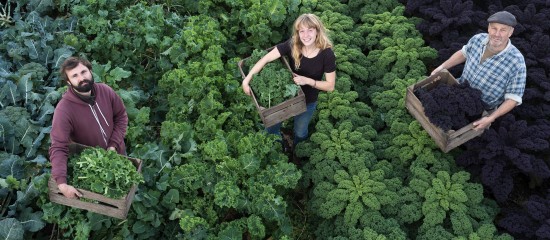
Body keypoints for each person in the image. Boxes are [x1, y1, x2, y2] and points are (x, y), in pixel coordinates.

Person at [241, 13, 336, 150]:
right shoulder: (293, 44)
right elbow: (266, 59)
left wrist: (307, 81)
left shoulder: (327, 54)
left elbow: (330, 86)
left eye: (310, 30)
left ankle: (297, 150)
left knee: (300, 131)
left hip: (307, 100)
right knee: (272, 127)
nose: (306, 35)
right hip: (283, 98)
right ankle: (277, 147)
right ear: (298, 33)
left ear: (317, 30)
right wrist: (247, 79)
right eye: (301, 31)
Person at [431, 11, 526, 131]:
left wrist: (491, 118)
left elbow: (513, 98)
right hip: (458, 91)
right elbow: (463, 53)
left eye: (503, 30)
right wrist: (441, 68)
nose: (497, 34)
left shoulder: (516, 61)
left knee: (459, 132)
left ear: (510, 32)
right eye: (494, 28)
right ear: (488, 28)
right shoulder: (477, 39)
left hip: (480, 109)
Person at [49, 56, 128, 199]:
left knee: (125, 193)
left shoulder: (105, 90)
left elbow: (121, 116)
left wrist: (113, 145)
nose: (81, 78)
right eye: (75, 76)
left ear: (90, 71)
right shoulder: (64, 110)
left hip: (118, 152)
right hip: (92, 166)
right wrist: (61, 183)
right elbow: (59, 146)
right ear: (68, 82)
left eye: (83, 72)